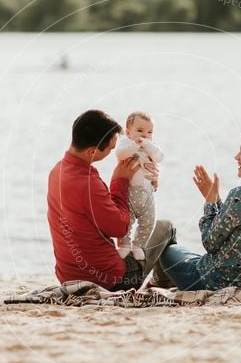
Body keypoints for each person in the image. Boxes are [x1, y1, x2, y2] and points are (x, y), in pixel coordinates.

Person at [47, 109, 176, 291]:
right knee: (165, 226)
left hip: (67, 276)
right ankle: (161, 283)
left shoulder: (57, 171)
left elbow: (94, 210)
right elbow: (119, 228)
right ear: (92, 151)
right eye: (110, 149)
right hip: (112, 280)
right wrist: (120, 181)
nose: (112, 153)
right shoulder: (88, 183)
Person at [158, 129, 241, 292]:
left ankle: (157, 282)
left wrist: (210, 201)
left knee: (166, 249)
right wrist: (216, 200)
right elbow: (237, 228)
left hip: (214, 283)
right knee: (192, 256)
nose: (236, 157)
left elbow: (210, 242)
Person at [115, 111, 165, 261]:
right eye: (140, 131)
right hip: (130, 192)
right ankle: (124, 245)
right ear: (128, 132)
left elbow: (160, 157)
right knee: (126, 222)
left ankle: (138, 244)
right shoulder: (126, 143)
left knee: (149, 221)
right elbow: (121, 154)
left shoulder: (151, 146)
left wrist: (149, 146)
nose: (145, 135)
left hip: (147, 193)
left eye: (149, 132)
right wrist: (134, 145)